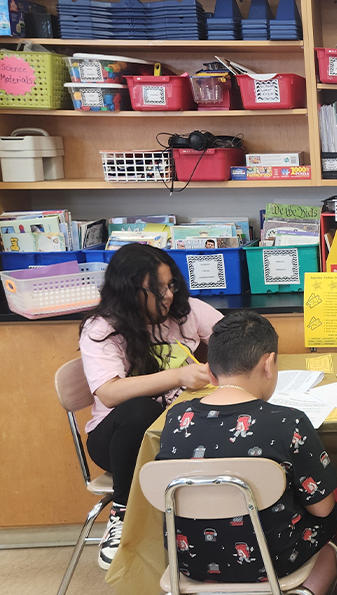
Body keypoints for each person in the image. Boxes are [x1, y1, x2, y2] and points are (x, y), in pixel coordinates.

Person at [157, 311, 337, 593]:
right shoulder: (289, 421)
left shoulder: (176, 418)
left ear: (212, 371)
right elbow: (323, 508)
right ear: (269, 364)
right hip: (275, 562)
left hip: (190, 561)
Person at [79, 243, 221, 569]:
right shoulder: (102, 329)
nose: (168, 295)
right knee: (140, 410)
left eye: (171, 285)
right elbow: (110, 394)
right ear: (130, 292)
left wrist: (226, 355)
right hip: (117, 440)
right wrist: (179, 375)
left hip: (175, 432)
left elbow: (233, 336)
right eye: (157, 290)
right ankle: (122, 514)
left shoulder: (184, 312)